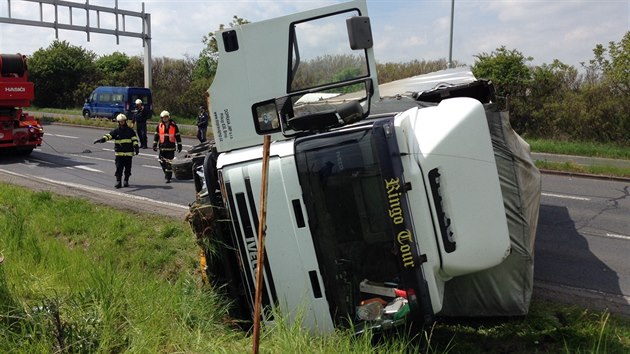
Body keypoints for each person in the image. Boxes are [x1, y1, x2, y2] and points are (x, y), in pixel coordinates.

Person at [93, 113, 139, 188]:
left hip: (128, 154)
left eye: (123, 121)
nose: (122, 123)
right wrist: (102, 139)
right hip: (119, 154)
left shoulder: (130, 131)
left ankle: (126, 180)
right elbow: (109, 136)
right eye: (120, 121)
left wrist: (136, 147)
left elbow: (134, 139)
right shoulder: (116, 131)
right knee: (119, 168)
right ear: (118, 122)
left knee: (128, 168)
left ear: (125, 121)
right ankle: (118, 181)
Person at [153, 110, 182, 183]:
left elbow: (177, 136)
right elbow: (156, 136)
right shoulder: (159, 126)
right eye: (163, 117)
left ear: (168, 117)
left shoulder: (173, 125)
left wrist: (179, 145)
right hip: (162, 148)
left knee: (169, 163)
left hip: (170, 148)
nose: (165, 119)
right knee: (162, 162)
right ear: (161, 118)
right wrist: (154, 145)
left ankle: (168, 177)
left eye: (166, 117)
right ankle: (166, 173)